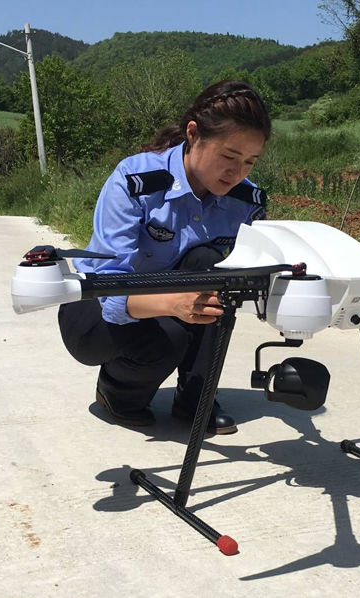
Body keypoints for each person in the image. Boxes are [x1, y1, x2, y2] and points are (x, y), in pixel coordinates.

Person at [57, 80, 272, 435]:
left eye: (250, 162)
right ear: (193, 134)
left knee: (213, 267)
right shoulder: (136, 181)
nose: (237, 173)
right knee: (169, 339)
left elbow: (253, 269)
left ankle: (196, 397)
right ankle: (118, 392)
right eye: (229, 157)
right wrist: (173, 304)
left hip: (172, 297)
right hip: (94, 305)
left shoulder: (246, 202)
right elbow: (110, 287)